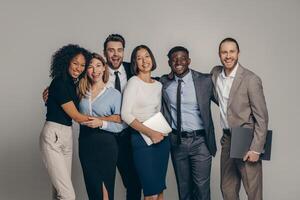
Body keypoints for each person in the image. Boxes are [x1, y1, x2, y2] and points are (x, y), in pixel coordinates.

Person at [210, 38, 268, 200]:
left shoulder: (251, 79)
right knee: (227, 188)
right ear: (219, 55)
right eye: (224, 52)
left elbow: (262, 118)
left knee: (253, 191)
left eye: (232, 51)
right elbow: (223, 103)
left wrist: (256, 149)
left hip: (246, 139)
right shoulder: (215, 74)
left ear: (238, 53)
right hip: (228, 139)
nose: (228, 56)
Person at [160, 46, 216, 200]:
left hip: (201, 142)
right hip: (177, 142)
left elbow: (226, 103)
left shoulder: (205, 81)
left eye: (182, 58)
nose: (178, 62)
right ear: (169, 63)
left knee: (201, 189)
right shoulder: (164, 83)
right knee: (183, 189)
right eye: (174, 59)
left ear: (189, 61)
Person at [39, 44, 92, 200]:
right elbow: (76, 116)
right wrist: (109, 119)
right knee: (67, 195)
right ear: (66, 61)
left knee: (59, 192)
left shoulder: (72, 84)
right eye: (75, 63)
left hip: (66, 135)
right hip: (54, 135)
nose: (78, 68)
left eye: (82, 65)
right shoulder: (60, 82)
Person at [121, 45, 170, 200]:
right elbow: (125, 115)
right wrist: (150, 133)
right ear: (135, 62)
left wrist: (159, 133)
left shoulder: (158, 85)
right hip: (142, 139)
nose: (144, 61)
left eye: (147, 56)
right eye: (139, 58)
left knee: (160, 189)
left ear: (152, 59)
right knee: (150, 192)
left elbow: (157, 112)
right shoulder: (133, 82)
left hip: (161, 140)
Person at [78, 53, 124, 200]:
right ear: (86, 70)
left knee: (105, 192)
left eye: (98, 66)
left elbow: (120, 125)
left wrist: (101, 123)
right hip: (85, 144)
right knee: (93, 191)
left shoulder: (114, 94)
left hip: (106, 145)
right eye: (90, 67)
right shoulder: (80, 92)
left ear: (104, 68)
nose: (95, 70)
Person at [103, 34, 142, 200]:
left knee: (134, 182)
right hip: (105, 135)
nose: (115, 54)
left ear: (124, 52)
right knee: (104, 182)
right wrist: (52, 91)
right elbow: (75, 86)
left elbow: (151, 80)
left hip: (127, 135)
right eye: (111, 50)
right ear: (104, 52)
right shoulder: (96, 71)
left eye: (119, 50)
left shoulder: (132, 70)